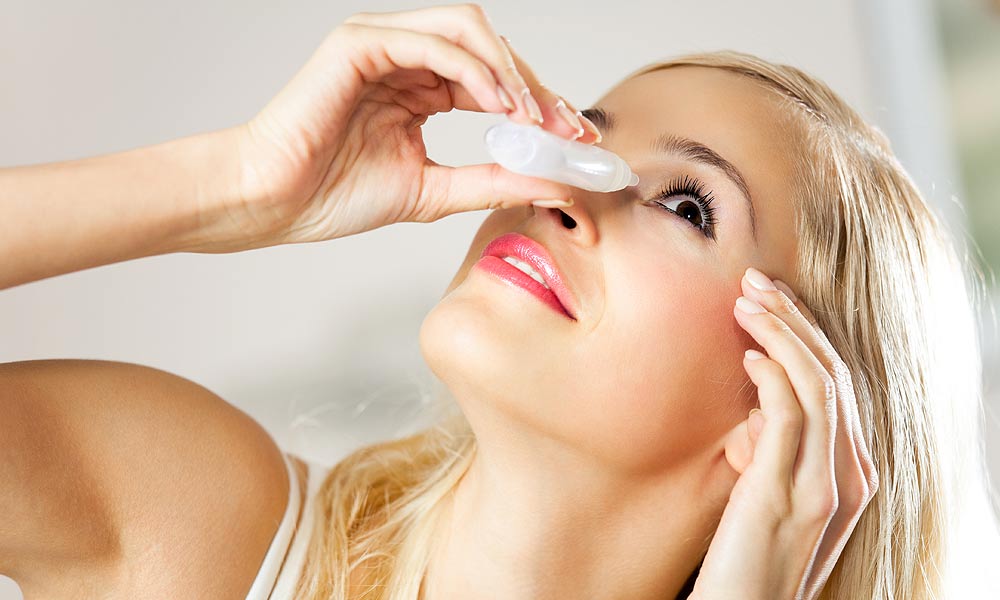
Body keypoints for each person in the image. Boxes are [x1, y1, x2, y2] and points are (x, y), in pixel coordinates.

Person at [1, 3, 998, 599]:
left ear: (783, 409)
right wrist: (237, 182)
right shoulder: (214, 529)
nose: (561, 187)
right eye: (586, 142)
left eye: (687, 205)